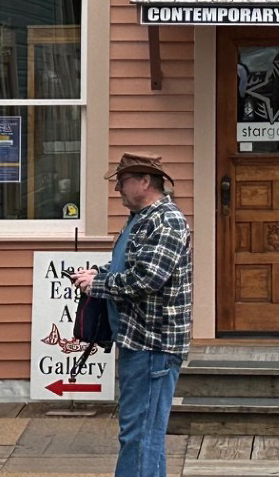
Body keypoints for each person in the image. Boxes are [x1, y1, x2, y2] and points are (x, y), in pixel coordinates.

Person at [70, 152, 192, 477]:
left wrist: (98, 285)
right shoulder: (140, 218)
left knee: (140, 436)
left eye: (121, 182)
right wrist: (96, 273)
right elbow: (125, 267)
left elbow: (146, 279)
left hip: (154, 346)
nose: (117, 190)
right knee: (140, 435)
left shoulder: (166, 220)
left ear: (144, 182)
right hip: (137, 342)